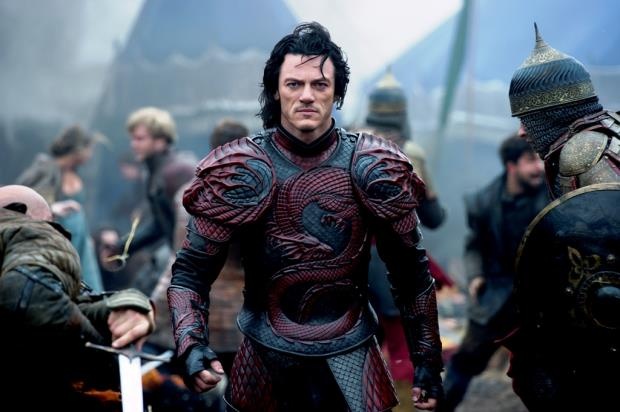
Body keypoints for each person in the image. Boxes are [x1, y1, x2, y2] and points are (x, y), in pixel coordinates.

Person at [167, 22, 444, 412]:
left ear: (337, 92)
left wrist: (428, 361)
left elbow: (412, 275)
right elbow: (191, 273)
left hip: (353, 351)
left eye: (320, 84)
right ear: (276, 90)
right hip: (263, 353)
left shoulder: (372, 164)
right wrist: (191, 343)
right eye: (294, 84)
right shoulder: (242, 167)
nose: (307, 95)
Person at [504, 24, 620, 410]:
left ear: (550, 114)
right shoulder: (613, 127)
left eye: (527, 119)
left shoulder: (579, 155)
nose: (522, 133)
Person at [0, 184, 155, 411]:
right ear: (17, 211)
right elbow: (29, 290)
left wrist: (126, 304)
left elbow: (67, 300)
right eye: (51, 221)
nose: (55, 228)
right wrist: (105, 362)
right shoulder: (28, 229)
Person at [360, 67, 452, 410]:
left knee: (361, 345)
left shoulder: (347, 142)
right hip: (391, 261)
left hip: (345, 260)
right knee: (402, 344)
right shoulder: (411, 152)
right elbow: (434, 218)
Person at [437, 133, 548, 412]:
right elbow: (474, 245)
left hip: (542, 298)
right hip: (496, 298)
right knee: (464, 363)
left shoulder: (551, 196)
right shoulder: (485, 203)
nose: (539, 167)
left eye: (540, 159)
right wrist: (475, 276)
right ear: (511, 165)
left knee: (549, 372)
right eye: (530, 160)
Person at [16, 124, 106, 292]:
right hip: (56, 240)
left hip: (78, 240)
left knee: (87, 286)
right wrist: (53, 208)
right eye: (90, 149)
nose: (91, 154)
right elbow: (26, 203)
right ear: (79, 149)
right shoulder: (46, 169)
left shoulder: (73, 171)